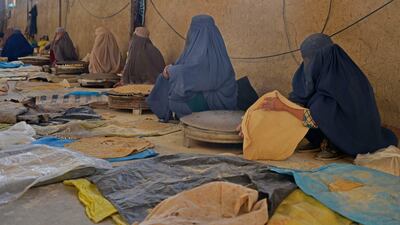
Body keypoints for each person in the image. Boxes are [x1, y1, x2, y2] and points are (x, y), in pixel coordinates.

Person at [257, 33, 398, 160]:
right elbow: (297, 98)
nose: (307, 64)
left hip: (356, 135)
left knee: (318, 105)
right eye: (305, 59)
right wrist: (262, 115)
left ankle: (336, 145)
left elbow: (315, 118)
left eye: (311, 58)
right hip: (331, 121)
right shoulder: (319, 70)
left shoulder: (345, 79)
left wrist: (283, 107)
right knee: (302, 103)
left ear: (324, 57)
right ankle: (321, 141)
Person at [147, 15, 237, 121]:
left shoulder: (214, 55)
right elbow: (189, 68)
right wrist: (172, 71)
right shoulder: (209, 49)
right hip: (205, 94)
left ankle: (182, 115)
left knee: (175, 98)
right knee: (165, 80)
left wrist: (172, 71)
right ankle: (170, 113)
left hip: (217, 103)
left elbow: (200, 75)